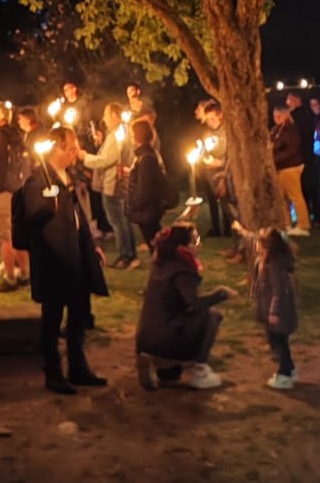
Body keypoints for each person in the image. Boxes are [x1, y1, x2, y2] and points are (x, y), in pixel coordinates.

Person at [22, 125, 109, 395]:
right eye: (71, 147)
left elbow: (77, 216)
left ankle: (78, 367)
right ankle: (53, 372)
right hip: (54, 258)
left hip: (76, 255)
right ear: (58, 147)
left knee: (79, 311)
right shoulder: (38, 180)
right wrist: (47, 207)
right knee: (53, 317)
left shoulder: (66, 176)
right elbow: (31, 219)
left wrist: (91, 246)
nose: (75, 152)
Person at [134, 223, 233, 391]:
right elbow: (193, 304)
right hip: (167, 336)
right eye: (195, 241)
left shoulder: (160, 263)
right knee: (212, 316)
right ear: (182, 246)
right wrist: (221, 293)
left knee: (179, 318)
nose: (199, 245)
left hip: (146, 335)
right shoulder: (183, 269)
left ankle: (164, 368)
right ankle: (200, 371)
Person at [233, 222, 300, 389]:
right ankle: (289, 369)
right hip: (269, 311)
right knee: (275, 341)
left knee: (278, 341)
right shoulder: (263, 260)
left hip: (279, 314)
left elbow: (279, 292)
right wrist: (241, 230)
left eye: (259, 244)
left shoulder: (275, 266)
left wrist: (274, 313)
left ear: (269, 248)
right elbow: (251, 238)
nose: (256, 246)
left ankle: (284, 374)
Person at [80, 102, 136, 269]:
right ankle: (130, 254)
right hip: (120, 182)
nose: (104, 119)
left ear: (114, 115)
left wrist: (85, 157)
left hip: (113, 184)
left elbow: (106, 160)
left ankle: (126, 255)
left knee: (118, 221)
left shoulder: (116, 135)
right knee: (123, 220)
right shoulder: (123, 132)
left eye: (106, 114)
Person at [0, 101, 29, 291]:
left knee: (5, 237)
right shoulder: (16, 135)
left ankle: (10, 277)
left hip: (0, 191)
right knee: (16, 234)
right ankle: (24, 273)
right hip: (16, 189)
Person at [124, 117, 168, 252]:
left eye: (132, 135)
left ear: (138, 136)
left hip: (147, 210)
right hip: (147, 209)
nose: (130, 138)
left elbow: (144, 188)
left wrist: (134, 205)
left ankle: (163, 263)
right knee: (155, 243)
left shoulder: (147, 158)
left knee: (156, 244)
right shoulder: (144, 155)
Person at [271, 105, 311, 236]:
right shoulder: (277, 129)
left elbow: (291, 150)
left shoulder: (290, 130)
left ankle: (303, 225)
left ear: (286, 115)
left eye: (279, 116)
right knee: (283, 197)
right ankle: (286, 223)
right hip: (281, 166)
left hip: (290, 166)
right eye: (275, 116)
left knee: (295, 195)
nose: (277, 118)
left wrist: (274, 158)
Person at [285, 91, 320, 228]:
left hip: (302, 157)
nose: (287, 103)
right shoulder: (305, 115)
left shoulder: (298, 117)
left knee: (308, 188)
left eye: (289, 100)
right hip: (307, 156)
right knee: (308, 188)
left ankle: (313, 217)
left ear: (296, 100)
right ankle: (312, 217)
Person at [194, 102, 231, 237]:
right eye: (208, 119)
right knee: (212, 201)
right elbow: (203, 149)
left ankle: (228, 229)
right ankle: (215, 228)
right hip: (210, 173)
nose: (210, 122)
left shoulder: (227, 132)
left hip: (224, 173)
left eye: (212, 118)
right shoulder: (207, 132)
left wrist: (220, 163)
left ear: (220, 116)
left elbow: (231, 155)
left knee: (227, 202)